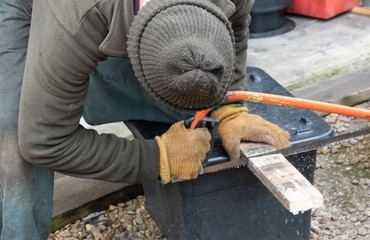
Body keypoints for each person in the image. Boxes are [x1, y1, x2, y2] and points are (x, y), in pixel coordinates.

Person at [1, 0, 291, 239]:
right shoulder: (79, 15)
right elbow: (45, 141)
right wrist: (159, 158)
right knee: (16, 140)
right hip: (26, 7)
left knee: (186, 102)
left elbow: (237, 29)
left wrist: (229, 107)